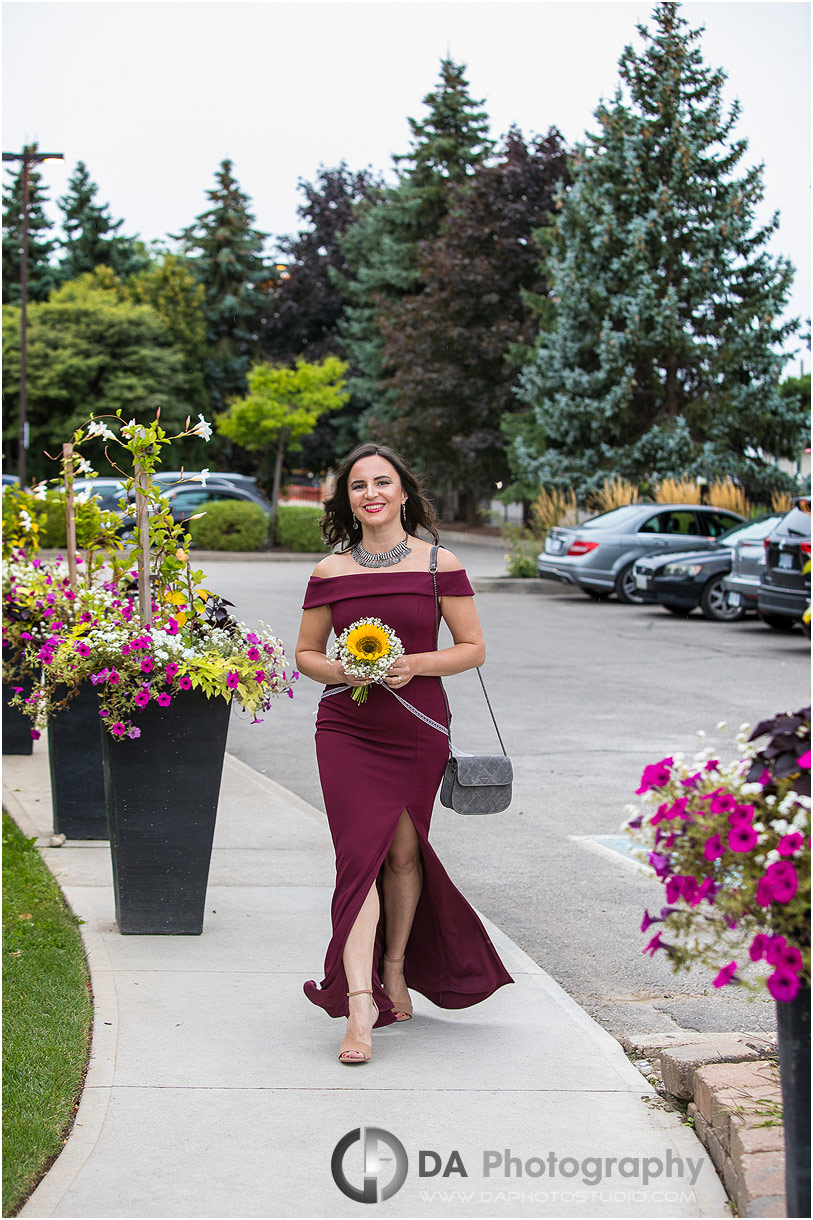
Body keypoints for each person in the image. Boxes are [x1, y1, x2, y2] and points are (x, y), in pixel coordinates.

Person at [295, 442, 513, 1064]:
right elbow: (306, 655)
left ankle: (396, 965)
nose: (370, 493)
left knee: (402, 854)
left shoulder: (440, 564)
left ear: (403, 493)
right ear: (347, 500)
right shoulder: (330, 572)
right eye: (358, 485)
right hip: (347, 728)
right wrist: (342, 671)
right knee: (359, 859)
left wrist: (413, 664)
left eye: (381, 482)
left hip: (418, 725)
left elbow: (472, 647)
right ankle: (359, 1004)